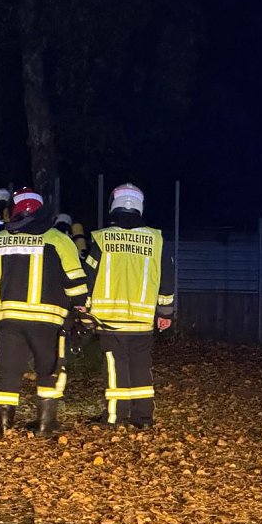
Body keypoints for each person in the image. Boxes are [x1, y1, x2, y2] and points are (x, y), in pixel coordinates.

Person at [0, 188, 88, 438]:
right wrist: (80, 307)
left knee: (8, 372)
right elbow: (76, 283)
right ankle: (45, 426)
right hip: (48, 321)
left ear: (13, 211)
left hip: (6, 320)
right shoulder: (58, 240)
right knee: (49, 371)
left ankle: (3, 428)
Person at [83, 183, 175, 429]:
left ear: (114, 204)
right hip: (143, 319)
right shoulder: (156, 240)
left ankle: (114, 416)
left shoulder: (102, 238)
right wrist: (165, 312)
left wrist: (84, 307)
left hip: (109, 318)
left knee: (115, 366)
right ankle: (143, 418)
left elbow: (90, 274)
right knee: (141, 366)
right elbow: (167, 276)